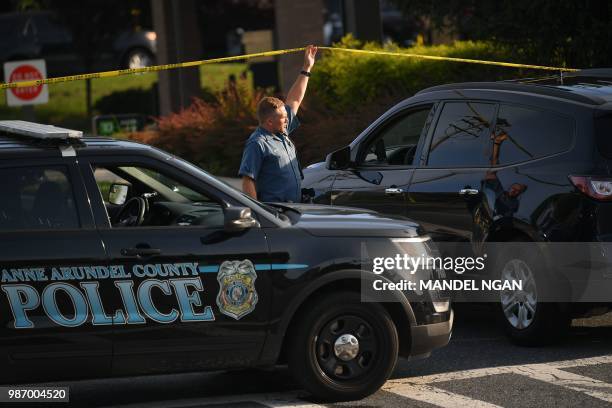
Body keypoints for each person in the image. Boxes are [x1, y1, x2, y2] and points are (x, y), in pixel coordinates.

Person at [238, 45, 317, 202]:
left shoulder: (281, 131)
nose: (287, 119)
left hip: (294, 208)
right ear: (269, 121)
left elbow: (295, 99)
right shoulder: (257, 143)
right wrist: (257, 214)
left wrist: (306, 68)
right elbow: (248, 181)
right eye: (283, 117)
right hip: (275, 213)